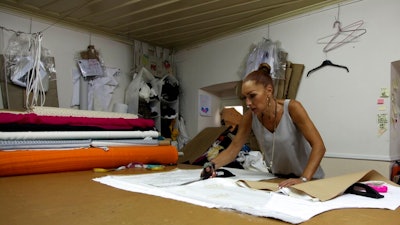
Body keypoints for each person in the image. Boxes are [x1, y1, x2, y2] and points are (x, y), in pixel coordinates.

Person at [201, 63, 326, 187]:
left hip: (309, 180)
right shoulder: (249, 117)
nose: (248, 103)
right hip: (279, 180)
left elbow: (319, 146)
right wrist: (211, 166)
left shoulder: (293, 108)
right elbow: (234, 149)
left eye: (252, 96)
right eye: (245, 98)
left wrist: (304, 179)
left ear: (269, 91)